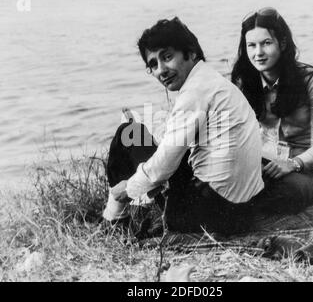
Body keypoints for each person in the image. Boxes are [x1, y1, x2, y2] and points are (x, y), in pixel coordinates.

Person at [102, 17, 264, 235]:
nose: (161, 70)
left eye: (167, 57)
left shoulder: (194, 92)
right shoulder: (211, 80)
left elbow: (162, 168)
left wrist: (128, 189)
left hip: (211, 216)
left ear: (191, 52)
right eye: (153, 64)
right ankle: (130, 209)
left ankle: (114, 219)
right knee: (144, 136)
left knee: (129, 133)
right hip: (245, 211)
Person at [231, 7, 313, 214]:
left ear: (282, 43)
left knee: (288, 192)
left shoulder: (312, 81)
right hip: (262, 166)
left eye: (266, 43)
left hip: (303, 172)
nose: (258, 53)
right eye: (251, 45)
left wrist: (291, 164)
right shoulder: (244, 84)